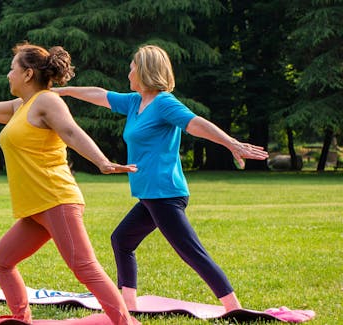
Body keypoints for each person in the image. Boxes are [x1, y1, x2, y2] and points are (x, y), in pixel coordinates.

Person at [0, 43, 139, 325]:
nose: (8, 75)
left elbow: (71, 132)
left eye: (12, 69)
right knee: (1, 260)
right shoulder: (20, 106)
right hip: (36, 208)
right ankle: (21, 320)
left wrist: (101, 161)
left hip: (56, 199)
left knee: (84, 267)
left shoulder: (47, 101)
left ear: (27, 74)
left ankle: (125, 322)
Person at [53, 44, 268, 312]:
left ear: (144, 70)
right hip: (150, 195)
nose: (128, 72)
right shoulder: (135, 102)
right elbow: (99, 94)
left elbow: (196, 123)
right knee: (122, 240)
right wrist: (61, 91)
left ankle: (234, 308)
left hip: (165, 193)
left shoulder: (164, 103)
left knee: (190, 251)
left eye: (132, 66)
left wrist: (231, 143)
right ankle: (129, 304)